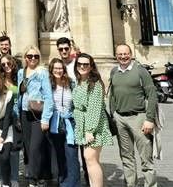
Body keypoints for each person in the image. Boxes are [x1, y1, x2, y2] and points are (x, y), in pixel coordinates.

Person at [108, 44, 159, 187]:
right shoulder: (114, 71)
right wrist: (113, 114)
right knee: (126, 157)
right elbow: (112, 94)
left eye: (126, 54)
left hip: (139, 118)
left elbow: (152, 94)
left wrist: (149, 119)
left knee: (146, 157)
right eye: (120, 54)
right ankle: (131, 184)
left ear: (130, 54)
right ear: (116, 55)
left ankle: (150, 185)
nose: (123, 57)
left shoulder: (140, 71)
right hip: (120, 119)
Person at [16, 45, 54, 187]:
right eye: (30, 56)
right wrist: (17, 112)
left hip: (38, 114)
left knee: (35, 147)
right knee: (28, 146)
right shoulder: (21, 72)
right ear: (25, 57)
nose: (33, 59)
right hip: (25, 113)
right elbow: (19, 94)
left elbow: (49, 97)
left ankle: (32, 179)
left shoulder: (42, 72)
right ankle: (39, 176)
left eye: (36, 56)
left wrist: (46, 118)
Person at [73, 54, 113, 187]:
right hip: (82, 126)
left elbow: (94, 109)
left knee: (91, 160)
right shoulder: (79, 82)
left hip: (93, 128)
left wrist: (90, 130)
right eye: (79, 64)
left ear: (91, 67)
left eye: (86, 64)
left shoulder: (94, 84)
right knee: (89, 160)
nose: (82, 67)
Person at [48, 58, 81, 187]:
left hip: (70, 123)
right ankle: (63, 182)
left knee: (71, 155)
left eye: (60, 68)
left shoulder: (71, 83)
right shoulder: (48, 84)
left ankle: (74, 183)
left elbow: (76, 102)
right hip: (54, 124)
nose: (58, 70)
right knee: (59, 155)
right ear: (51, 69)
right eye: (55, 68)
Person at [0, 54, 21, 186]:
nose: (7, 66)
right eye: (3, 64)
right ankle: (1, 177)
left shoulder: (19, 78)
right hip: (1, 117)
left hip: (16, 117)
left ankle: (14, 178)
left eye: (9, 63)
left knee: (14, 150)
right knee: (1, 148)